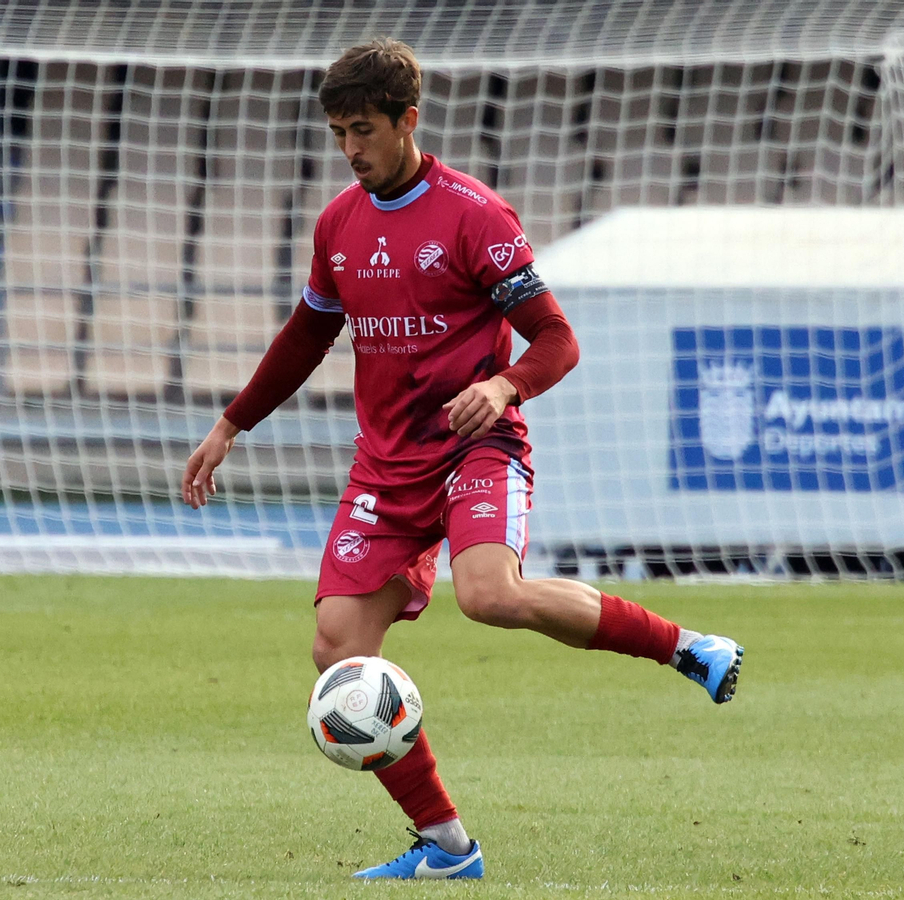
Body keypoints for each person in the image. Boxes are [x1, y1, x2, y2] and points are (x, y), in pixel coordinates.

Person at [181, 37, 742, 881]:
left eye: (363, 130)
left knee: (488, 595)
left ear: (409, 120)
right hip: (387, 465)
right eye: (338, 133)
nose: (350, 150)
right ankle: (447, 847)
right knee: (337, 651)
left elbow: (558, 339)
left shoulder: (476, 215)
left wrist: (507, 386)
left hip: (476, 446)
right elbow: (309, 334)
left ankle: (686, 647)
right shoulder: (338, 224)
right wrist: (232, 422)